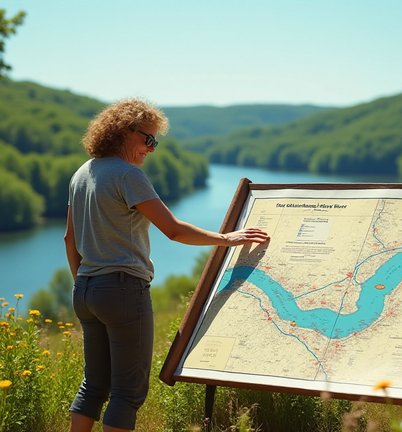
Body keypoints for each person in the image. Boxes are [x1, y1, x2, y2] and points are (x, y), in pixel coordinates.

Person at [64, 98, 269, 432]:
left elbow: (69, 240)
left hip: (86, 290)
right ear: (124, 132)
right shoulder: (129, 175)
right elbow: (173, 230)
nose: (152, 149)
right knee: (127, 393)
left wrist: (84, 283)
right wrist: (228, 238)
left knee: (94, 386)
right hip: (122, 290)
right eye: (148, 139)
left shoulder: (82, 173)